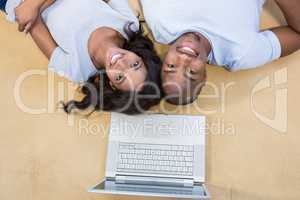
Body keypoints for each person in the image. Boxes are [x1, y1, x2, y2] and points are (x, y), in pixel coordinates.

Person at [1, 0, 163, 114]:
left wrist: (32, 5)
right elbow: (32, 10)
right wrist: (35, 4)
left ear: (112, 86)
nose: (121, 63)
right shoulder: (129, 25)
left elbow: (30, 20)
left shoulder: (77, 70)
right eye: (135, 65)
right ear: (142, 57)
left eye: (120, 77)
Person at [140, 0, 300, 105]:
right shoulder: (240, 54)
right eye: (190, 72)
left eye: (172, 66)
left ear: (163, 59)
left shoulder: (160, 24)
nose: (184, 59)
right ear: (203, 77)